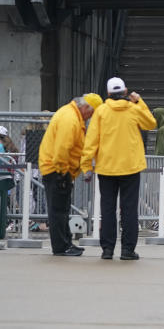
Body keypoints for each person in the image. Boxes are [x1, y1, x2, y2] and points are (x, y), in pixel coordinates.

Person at [80, 77, 157, 260]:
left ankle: (107, 249)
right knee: (129, 209)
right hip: (130, 167)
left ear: (107, 93)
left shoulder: (101, 112)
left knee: (107, 209)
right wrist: (139, 101)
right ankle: (128, 250)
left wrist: (86, 166)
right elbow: (151, 123)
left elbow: (91, 140)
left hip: (106, 168)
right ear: (125, 91)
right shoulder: (133, 109)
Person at [38, 94, 102, 256]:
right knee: (58, 210)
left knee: (62, 209)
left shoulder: (71, 115)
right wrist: (62, 173)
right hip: (58, 170)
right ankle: (61, 247)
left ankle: (66, 243)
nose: (92, 117)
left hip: (58, 169)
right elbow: (62, 149)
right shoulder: (71, 119)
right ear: (86, 108)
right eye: (92, 113)